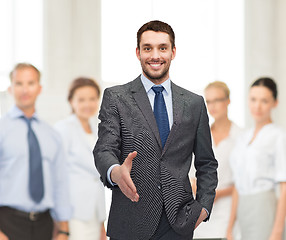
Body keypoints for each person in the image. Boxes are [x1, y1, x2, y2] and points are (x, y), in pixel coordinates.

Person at [93, 20, 218, 240]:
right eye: (147, 48)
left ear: (173, 52)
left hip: (179, 223)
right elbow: (104, 149)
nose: (155, 55)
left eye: (162, 48)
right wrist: (115, 172)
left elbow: (206, 163)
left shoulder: (194, 103)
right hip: (130, 222)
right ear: (138, 52)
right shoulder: (116, 98)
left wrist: (204, 209)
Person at [0, 63, 71, 240]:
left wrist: (64, 229)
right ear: (10, 88)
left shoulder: (52, 134)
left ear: (39, 88)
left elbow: (60, 182)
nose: (25, 89)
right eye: (19, 83)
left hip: (45, 225)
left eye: (30, 83)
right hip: (7, 223)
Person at [227, 77, 286, 240]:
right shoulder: (243, 138)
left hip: (265, 208)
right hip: (243, 210)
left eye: (264, 101)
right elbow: (237, 185)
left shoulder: (278, 136)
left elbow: (284, 187)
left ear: (275, 103)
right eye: (253, 99)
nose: (257, 106)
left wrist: (277, 232)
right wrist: (230, 227)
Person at [55, 77, 107, 240]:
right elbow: (57, 176)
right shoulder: (63, 129)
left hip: (95, 211)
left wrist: (101, 222)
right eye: (81, 99)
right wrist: (61, 222)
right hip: (73, 212)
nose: (88, 104)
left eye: (92, 99)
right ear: (71, 101)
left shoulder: (97, 129)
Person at [191, 81, 242, 239]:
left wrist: (216, 192)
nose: (212, 106)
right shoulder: (200, 135)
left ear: (228, 101)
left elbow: (240, 184)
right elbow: (192, 176)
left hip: (228, 216)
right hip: (201, 216)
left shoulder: (241, 137)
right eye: (209, 101)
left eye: (217, 100)